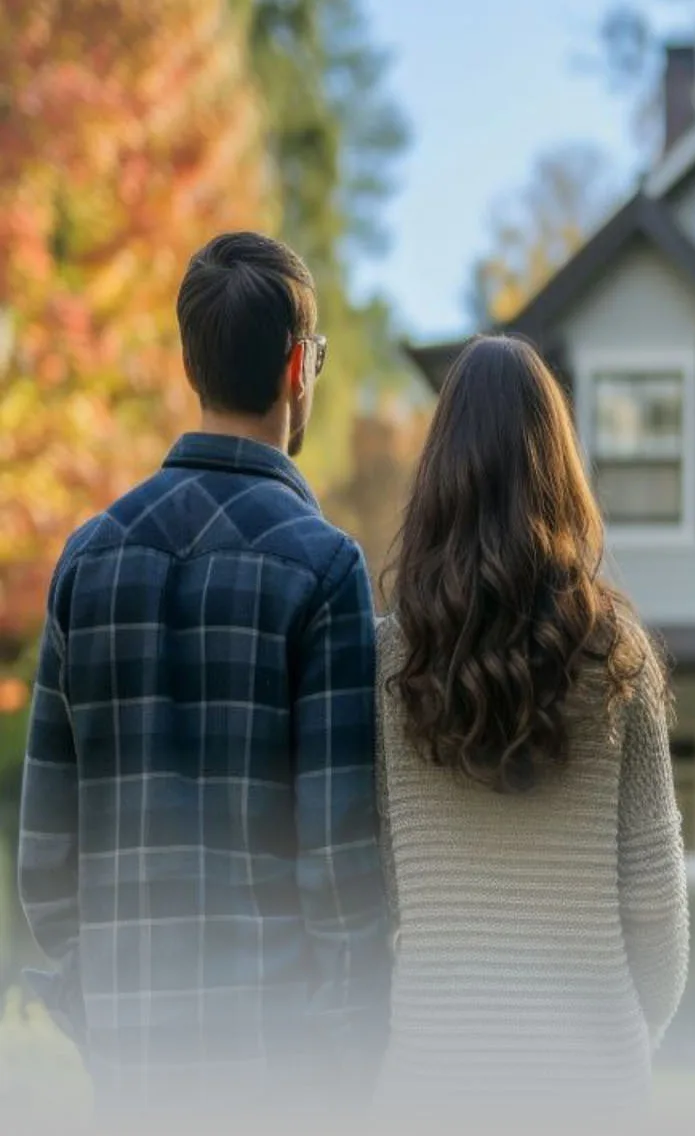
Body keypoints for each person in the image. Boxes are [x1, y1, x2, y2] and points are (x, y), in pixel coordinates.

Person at [17, 232, 391, 1116]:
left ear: (191, 363)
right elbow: (341, 875)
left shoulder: (86, 561)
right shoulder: (326, 571)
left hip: (129, 1067)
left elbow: (44, 862)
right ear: (300, 369)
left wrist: (102, 1009)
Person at [374, 335, 689, 1122]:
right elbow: (656, 907)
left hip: (432, 1081)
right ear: (560, 471)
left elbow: (384, 888)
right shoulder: (619, 660)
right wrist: (624, 1038)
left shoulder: (388, 664)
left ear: (440, 475)